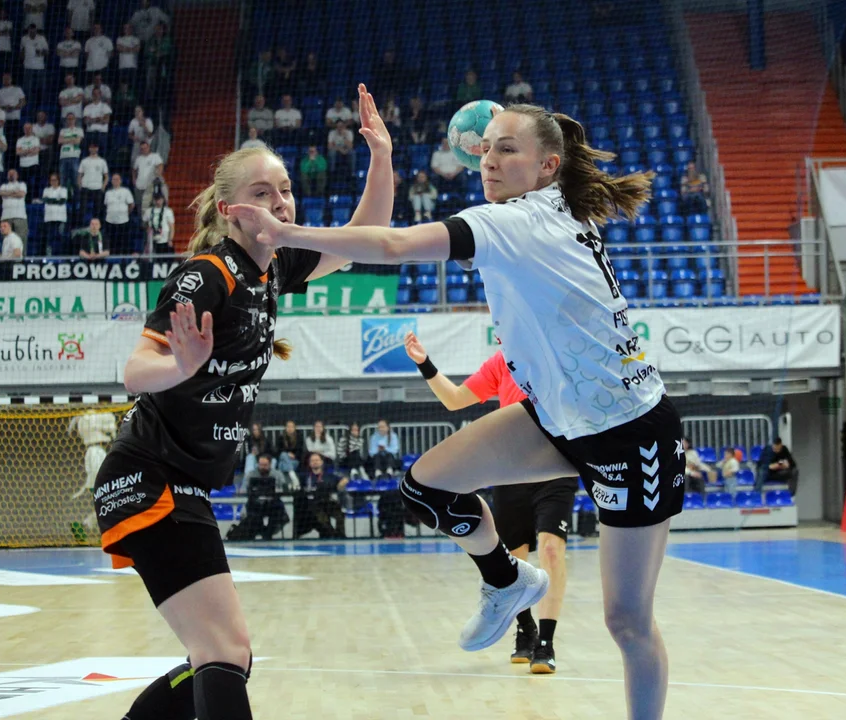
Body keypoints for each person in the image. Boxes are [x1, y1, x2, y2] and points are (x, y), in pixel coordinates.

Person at [229, 102, 684, 717]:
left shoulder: (517, 222)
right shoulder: (552, 200)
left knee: (627, 622)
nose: (489, 161)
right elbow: (526, 148)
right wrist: (499, 135)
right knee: (426, 487)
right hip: (558, 419)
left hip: (630, 432)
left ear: (548, 166)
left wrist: (287, 234)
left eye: (506, 150)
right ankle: (506, 580)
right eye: (485, 149)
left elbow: (393, 243)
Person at [90, 83, 392, 720]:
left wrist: (382, 157)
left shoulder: (272, 268)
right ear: (229, 210)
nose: (280, 201)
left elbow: (365, 237)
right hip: (148, 479)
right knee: (225, 649)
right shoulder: (208, 274)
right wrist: (181, 364)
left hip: (181, 485)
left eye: (285, 190)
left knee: (225, 655)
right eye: (263, 192)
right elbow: (135, 371)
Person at [404, 332, 577, 674]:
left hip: (554, 465)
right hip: (512, 470)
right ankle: (524, 630)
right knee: (514, 557)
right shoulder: (500, 363)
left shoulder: (556, 352)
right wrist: (425, 363)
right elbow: (454, 399)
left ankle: (546, 641)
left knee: (551, 549)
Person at [67, 410, 118, 540]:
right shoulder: (96, 451)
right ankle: (88, 526)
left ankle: (85, 525)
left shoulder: (94, 451)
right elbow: (98, 471)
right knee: (110, 506)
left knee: (109, 507)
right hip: (99, 484)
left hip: (98, 483)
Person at [237, 453, 294, 540]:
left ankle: (268, 534)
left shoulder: (277, 474)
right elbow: (243, 489)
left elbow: (284, 488)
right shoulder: (251, 474)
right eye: (261, 465)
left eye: (265, 465)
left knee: (278, 510)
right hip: (255, 503)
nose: (262, 467)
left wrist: (279, 490)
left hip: (272, 503)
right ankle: (259, 532)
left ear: (270, 464)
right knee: (252, 513)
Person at [41, 172, 69, 255]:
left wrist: (51, 200)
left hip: (60, 219)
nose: (53, 182)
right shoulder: (46, 190)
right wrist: (56, 200)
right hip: (49, 218)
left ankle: (62, 254)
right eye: (51, 180)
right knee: (49, 238)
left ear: (58, 180)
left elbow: (62, 201)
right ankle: (49, 255)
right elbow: (45, 200)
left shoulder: (63, 190)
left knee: (61, 237)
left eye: (55, 180)